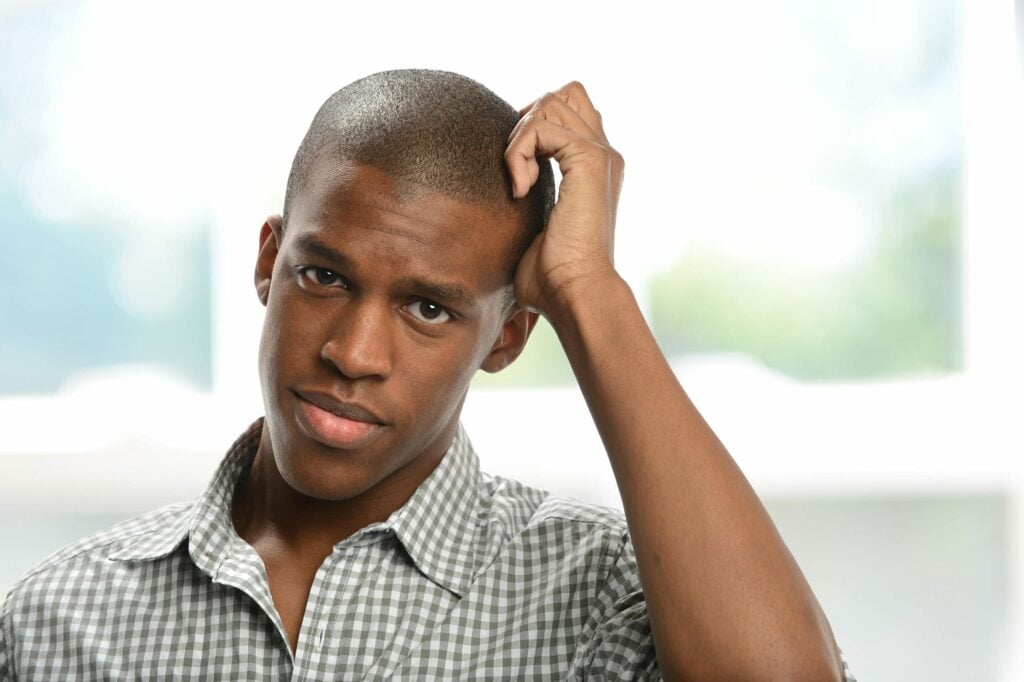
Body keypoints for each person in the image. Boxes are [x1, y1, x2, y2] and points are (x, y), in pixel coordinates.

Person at [0, 69, 854, 680]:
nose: (354, 354)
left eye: (430, 310)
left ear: (509, 339)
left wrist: (589, 291)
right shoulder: (57, 621)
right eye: (324, 276)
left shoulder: (600, 596)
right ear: (270, 259)